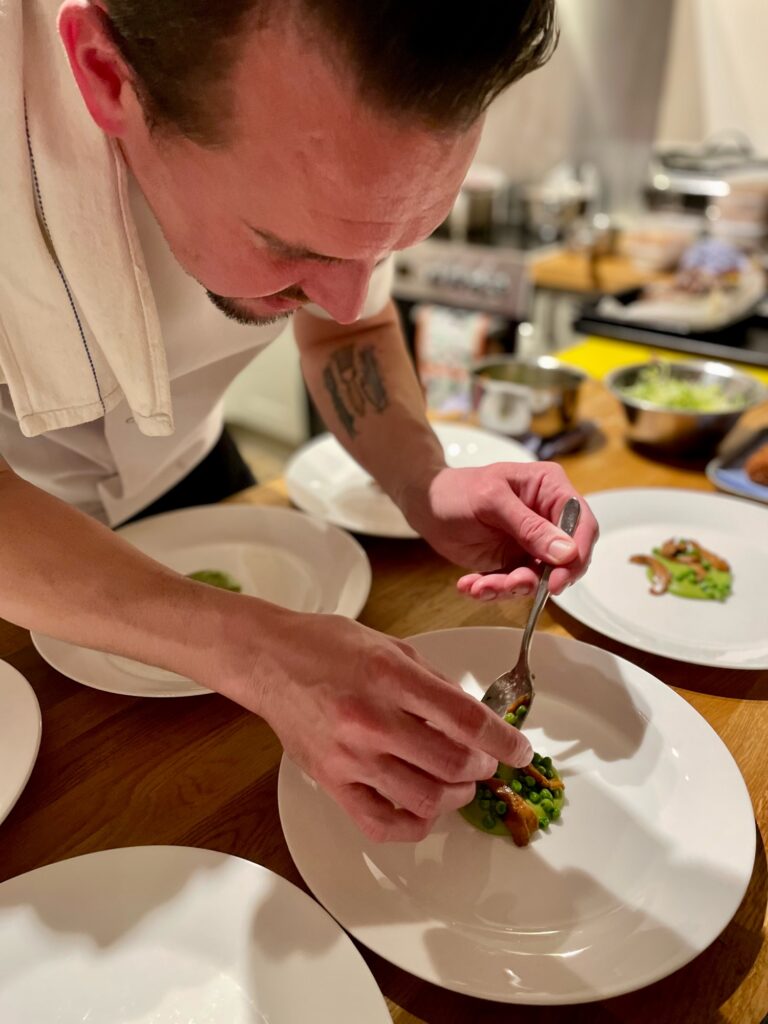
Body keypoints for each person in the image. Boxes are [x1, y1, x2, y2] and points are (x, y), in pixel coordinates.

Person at [0, 0, 598, 841]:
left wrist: (424, 478)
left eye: (387, 250)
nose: (349, 297)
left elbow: (352, 331)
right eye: (295, 247)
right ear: (106, 76)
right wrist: (256, 652)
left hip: (197, 476)